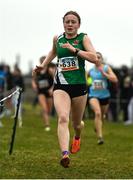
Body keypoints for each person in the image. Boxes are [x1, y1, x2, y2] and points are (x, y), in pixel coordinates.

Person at [33, 11, 99, 168]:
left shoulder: (83, 38)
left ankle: (77, 136)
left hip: (79, 86)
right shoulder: (58, 38)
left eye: (73, 22)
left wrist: (74, 50)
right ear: (63, 23)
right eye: (67, 21)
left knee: (77, 123)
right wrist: (43, 65)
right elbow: (53, 52)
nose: (70, 24)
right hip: (61, 85)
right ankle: (64, 154)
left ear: (78, 24)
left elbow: (94, 58)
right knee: (63, 118)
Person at [88, 52, 118, 145]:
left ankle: (98, 126)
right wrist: (89, 83)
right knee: (97, 113)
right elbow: (88, 81)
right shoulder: (90, 71)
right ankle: (100, 137)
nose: (97, 59)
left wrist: (105, 74)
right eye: (95, 57)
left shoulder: (106, 68)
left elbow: (115, 79)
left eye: (99, 57)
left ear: (102, 59)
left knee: (102, 116)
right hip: (93, 95)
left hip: (105, 96)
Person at [32, 56, 56, 131]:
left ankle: (45, 116)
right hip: (41, 91)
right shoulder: (37, 70)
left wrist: (52, 89)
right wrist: (34, 85)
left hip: (49, 91)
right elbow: (33, 79)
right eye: (41, 61)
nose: (43, 62)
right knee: (44, 108)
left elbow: (55, 80)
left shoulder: (50, 70)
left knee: (48, 109)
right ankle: (47, 124)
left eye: (44, 61)